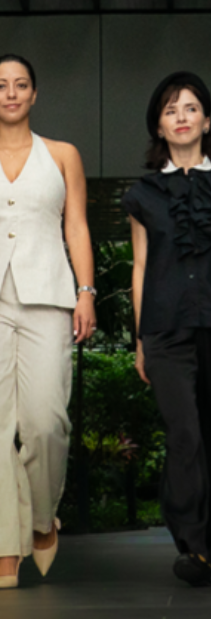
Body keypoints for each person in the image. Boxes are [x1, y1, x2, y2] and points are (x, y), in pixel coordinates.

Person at [0, 54, 96, 588]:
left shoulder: (63, 155)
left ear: (34, 94)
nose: (11, 93)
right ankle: (3, 545)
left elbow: (76, 226)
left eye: (20, 85)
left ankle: (38, 519)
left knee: (47, 420)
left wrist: (86, 292)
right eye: (0, 86)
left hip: (49, 296)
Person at [123, 71, 211, 587]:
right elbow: (139, 266)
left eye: (191, 108)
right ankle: (193, 547)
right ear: (158, 124)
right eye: (171, 109)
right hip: (166, 331)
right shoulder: (143, 193)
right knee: (184, 433)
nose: (181, 117)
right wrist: (139, 339)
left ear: (207, 120)